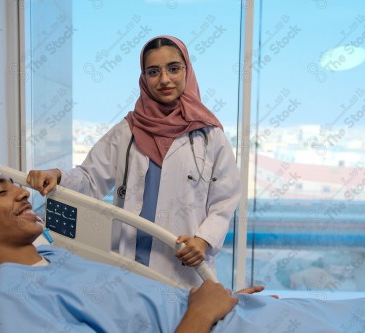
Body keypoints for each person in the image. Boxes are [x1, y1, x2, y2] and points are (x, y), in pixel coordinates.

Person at [0, 163, 257, 333]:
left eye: (14, 186)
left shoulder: (54, 256)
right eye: (0, 192)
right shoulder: (13, 301)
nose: (24, 193)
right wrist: (203, 313)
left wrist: (228, 303)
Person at [27, 35, 241, 287]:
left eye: (173, 68)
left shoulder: (209, 135)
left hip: (183, 266)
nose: (164, 79)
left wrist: (204, 240)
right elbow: (89, 178)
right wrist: (58, 175)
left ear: (187, 70)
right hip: (129, 263)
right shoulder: (126, 131)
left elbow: (225, 200)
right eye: (153, 72)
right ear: (143, 78)